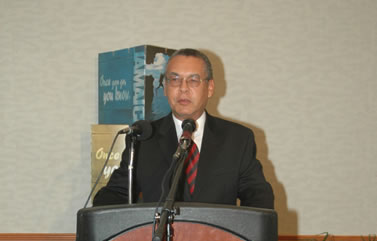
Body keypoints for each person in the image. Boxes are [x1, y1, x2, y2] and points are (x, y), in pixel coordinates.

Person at [93, 48, 274, 210]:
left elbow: (257, 197)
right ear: (164, 87)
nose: (183, 88)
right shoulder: (144, 138)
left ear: (210, 87)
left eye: (193, 80)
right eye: (175, 79)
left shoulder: (237, 139)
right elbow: (116, 194)